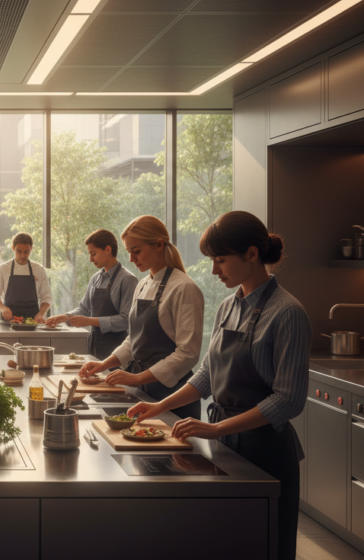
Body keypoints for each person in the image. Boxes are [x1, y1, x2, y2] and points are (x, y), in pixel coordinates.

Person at [127, 211, 310, 560]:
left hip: (266, 451)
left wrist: (215, 428)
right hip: (226, 446)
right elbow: (207, 374)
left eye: (221, 260)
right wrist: (158, 407)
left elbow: (288, 401)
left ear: (252, 254)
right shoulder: (227, 305)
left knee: (266, 544)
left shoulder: (288, 313)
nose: (214, 270)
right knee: (225, 541)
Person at [79, 215, 204, 420]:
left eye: (136, 251)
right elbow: (133, 339)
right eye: (128, 252)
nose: (131, 259)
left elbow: (188, 353)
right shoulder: (143, 284)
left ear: (159, 245)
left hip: (171, 393)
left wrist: (137, 378)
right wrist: (104, 364)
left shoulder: (184, 288)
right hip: (142, 388)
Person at [46, 229, 138, 359]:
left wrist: (90, 321)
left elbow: (126, 320)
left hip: (118, 350)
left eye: (93, 253)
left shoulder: (127, 279)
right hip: (93, 345)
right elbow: (84, 308)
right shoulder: (96, 278)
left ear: (107, 249)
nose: (90, 259)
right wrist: (64, 317)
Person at [0, 232, 53, 322]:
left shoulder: (39, 269)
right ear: (13, 248)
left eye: (26, 252)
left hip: (33, 320)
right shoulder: (3, 269)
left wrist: (40, 314)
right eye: (19, 251)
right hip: (8, 321)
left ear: (31, 249)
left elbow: (46, 297)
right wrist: (3, 308)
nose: (22, 255)